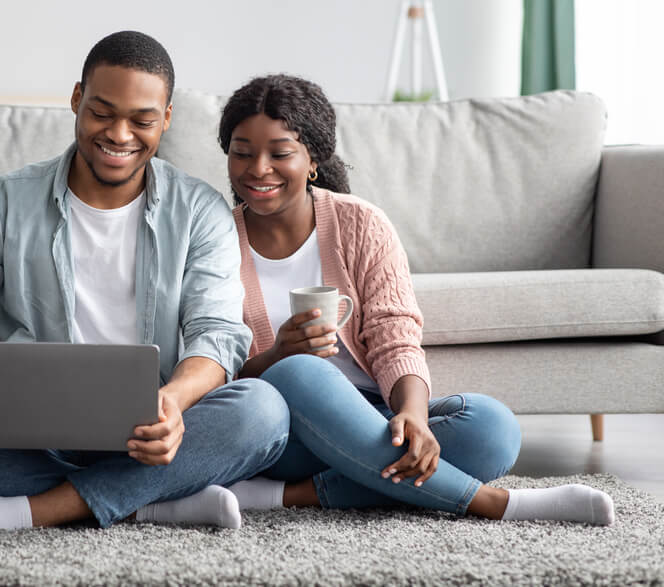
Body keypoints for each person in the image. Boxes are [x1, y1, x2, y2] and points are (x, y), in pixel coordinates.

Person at [0, 32, 290, 539]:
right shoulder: (4, 203)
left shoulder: (200, 210)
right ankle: (153, 496)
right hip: (32, 433)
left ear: (166, 118)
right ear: (76, 100)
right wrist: (18, 394)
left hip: (151, 431)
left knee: (263, 412)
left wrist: (174, 403)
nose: (120, 134)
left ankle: (36, 508)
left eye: (141, 120)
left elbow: (218, 333)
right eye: (101, 113)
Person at [219, 74, 615, 525]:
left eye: (280, 153)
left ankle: (289, 497)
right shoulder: (213, 237)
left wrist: (413, 416)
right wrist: (274, 356)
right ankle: (493, 503)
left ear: (313, 159)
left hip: (373, 416)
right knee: (301, 369)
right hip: (283, 433)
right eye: (242, 152)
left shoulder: (360, 224)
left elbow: (396, 336)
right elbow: (212, 366)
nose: (258, 168)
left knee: (492, 428)